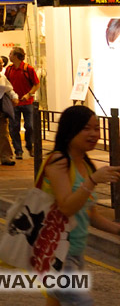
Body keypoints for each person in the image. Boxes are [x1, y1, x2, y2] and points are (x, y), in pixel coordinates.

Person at [40, 105, 120, 305]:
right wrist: (92, 181)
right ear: (70, 130)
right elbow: (67, 207)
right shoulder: (58, 161)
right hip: (56, 255)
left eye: (96, 128)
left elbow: (90, 214)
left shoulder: (85, 164)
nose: (94, 134)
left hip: (74, 253)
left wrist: (117, 229)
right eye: (86, 128)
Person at [6, 47, 40, 160]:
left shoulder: (28, 69)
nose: (9, 56)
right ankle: (18, 151)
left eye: (11, 54)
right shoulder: (9, 69)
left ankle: (30, 145)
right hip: (13, 103)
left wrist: (29, 94)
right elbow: (6, 84)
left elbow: (36, 84)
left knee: (29, 126)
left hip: (27, 102)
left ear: (16, 56)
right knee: (14, 127)